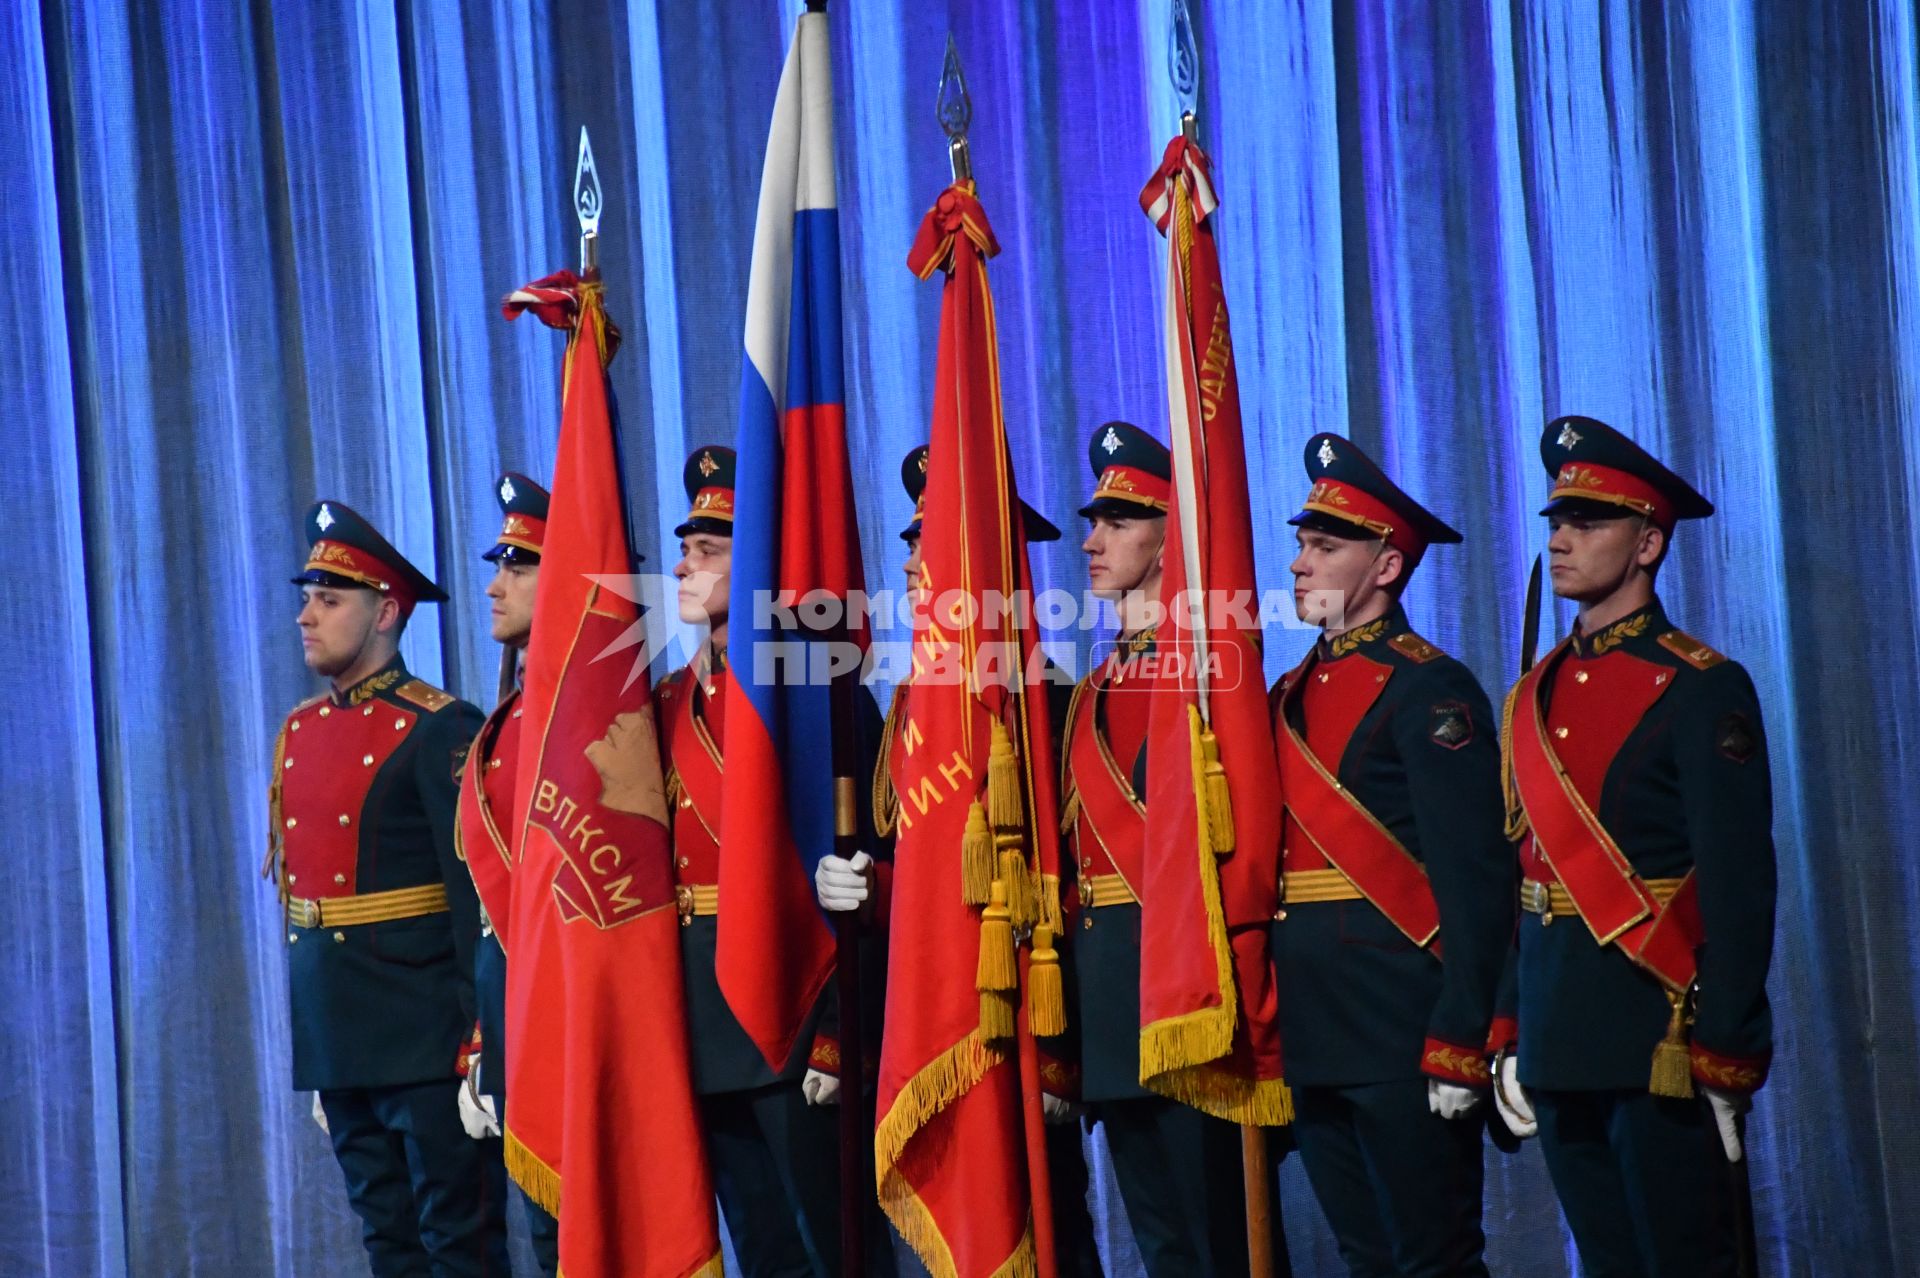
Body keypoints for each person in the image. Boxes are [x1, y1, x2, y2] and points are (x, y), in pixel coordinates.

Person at [1491, 415, 1775, 1277]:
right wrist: (1508, 1023)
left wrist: (1729, 1043)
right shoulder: (1532, 695)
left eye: (1589, 522)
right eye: (1555, 523)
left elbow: (1737, 877)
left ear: (1649, 542)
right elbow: (1523, 872)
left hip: (1657, 1028)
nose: (1563, 539)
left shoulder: (1701, 686)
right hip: (1556, 1028)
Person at [820, 443, 1104, 1277]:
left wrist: (1059, 1053)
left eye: (931, 546)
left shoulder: (1046, 700)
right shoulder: (914, 705)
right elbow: (929, 872)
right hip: (943, 1008)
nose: (911, 563)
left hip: (1024, 1022)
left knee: (1053, 1231)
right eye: (910, 544)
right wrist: (872, 889)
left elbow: (1063, 887)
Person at [1267, 434, 1510, 1277]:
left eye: (1324, 547)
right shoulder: (1287, 696)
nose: (1298, 563)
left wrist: (1463, 1032)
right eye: (1301, 543)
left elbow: (1476, 879)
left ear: (1385, 568)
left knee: (1433, 1261)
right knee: (1364, 1259)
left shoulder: (1430, 689)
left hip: (1404, 1027)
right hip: (1312, 1029)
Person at [268, 499, 507, 1276]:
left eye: (329, 600)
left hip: (426, 1035)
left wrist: (482, 1045)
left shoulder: (440, 726)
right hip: (342, 1036)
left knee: (458, 1244)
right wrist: (322, 1040)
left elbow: (474, 899)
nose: (306, 615)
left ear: (385, 612)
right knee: (388, 1245)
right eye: (307, 597)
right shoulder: (301, 730)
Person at [654, 445, 872, 1276]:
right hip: (700, 1022)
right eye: (687, 545)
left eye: (709, 549)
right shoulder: (664, 705)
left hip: (789, 1008)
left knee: (834, 1250)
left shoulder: (816, 694)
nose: (683, 564)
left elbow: (861, 875)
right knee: (763, 1251)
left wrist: (834, 1036)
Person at [1057, 421, 1254, 1276]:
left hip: (1188, 994)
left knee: (1218, 1245)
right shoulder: (1086, 692)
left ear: (1171, 539)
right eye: (1092, 520)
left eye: (1119, 521)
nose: (1091, 541)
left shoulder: (1212, 677)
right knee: (1165, 1250)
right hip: (1110, 1009)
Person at [452, 472, 560, 1273]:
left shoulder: (600, 714)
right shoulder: (510, 719)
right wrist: (486, 1043)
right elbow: (495, 909)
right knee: (548, 1239)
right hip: (516, 1009)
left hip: (575, 1006)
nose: (494, 586)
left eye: (518, 567)